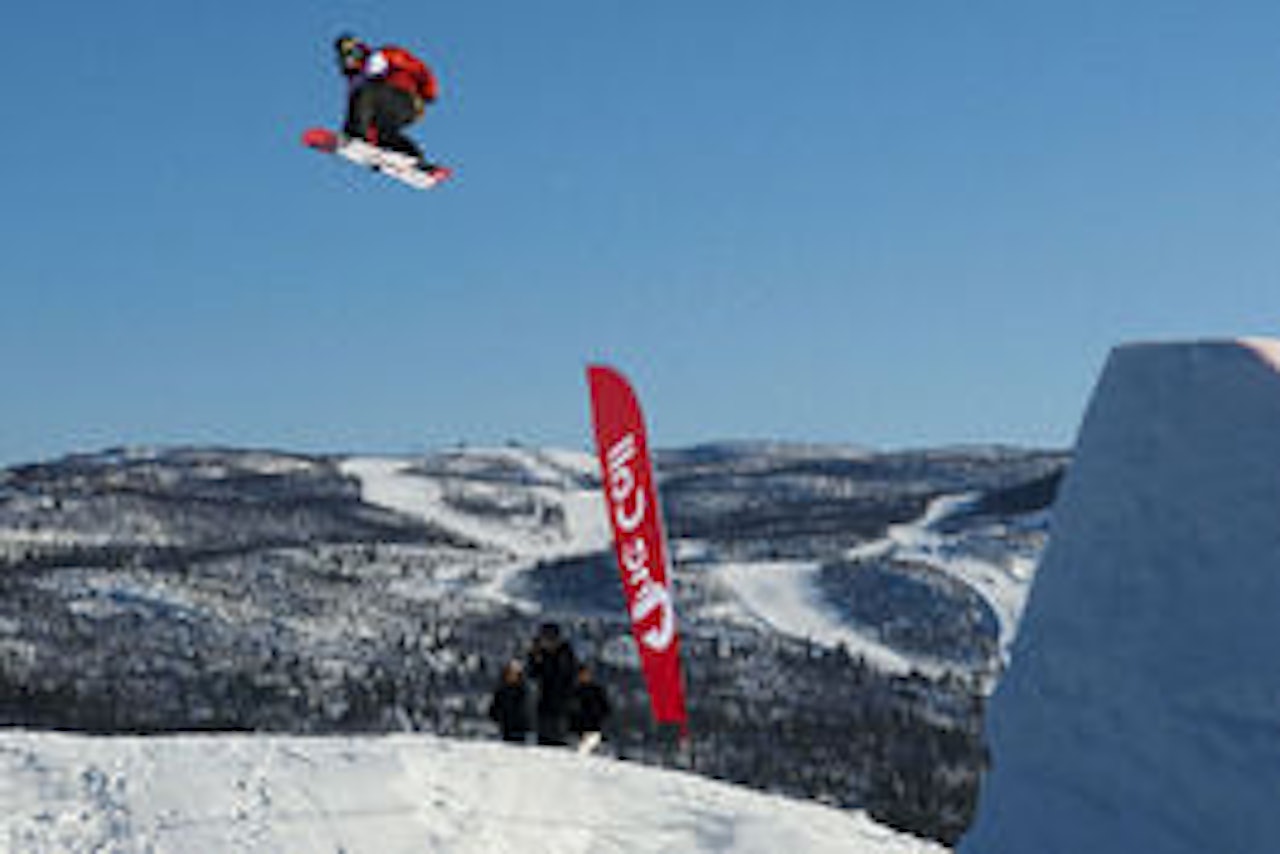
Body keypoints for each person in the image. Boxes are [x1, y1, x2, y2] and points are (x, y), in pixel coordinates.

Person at [334, 33, 441, 172]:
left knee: (365, 93)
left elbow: (418, 68)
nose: (348, 60)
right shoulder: (355, 82)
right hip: (387, 110)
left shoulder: (382, 56)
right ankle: (415, 160)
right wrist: (373, 155)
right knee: (383, 133)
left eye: (350, 53)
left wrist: (429, 92)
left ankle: (356, 136)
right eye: (343, 57)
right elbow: (363, 115)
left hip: (405, 100)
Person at [525, 622, 578, 746]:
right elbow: (532, 674)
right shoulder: (540, 654)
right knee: (543, 736)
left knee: (558, 737)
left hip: (561, 701)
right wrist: (533, 657)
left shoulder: (564, 654)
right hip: (544, 699)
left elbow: (565, 675)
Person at [568, 664, 611, 755]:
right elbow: (570, 711)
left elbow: (606, 709)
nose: (584, 676)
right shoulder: (574, 691)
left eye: (586, 674)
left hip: (594, 729)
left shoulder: (597, 690)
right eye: (582, 674)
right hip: (577, 731)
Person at [488, 660, 531, 744]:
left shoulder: (524, 691)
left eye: (513, 674)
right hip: (505, 729)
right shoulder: (501, 690)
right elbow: (494, 708)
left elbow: (526, 711)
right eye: (509, 673)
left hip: (521, 731)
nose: (510, 676)